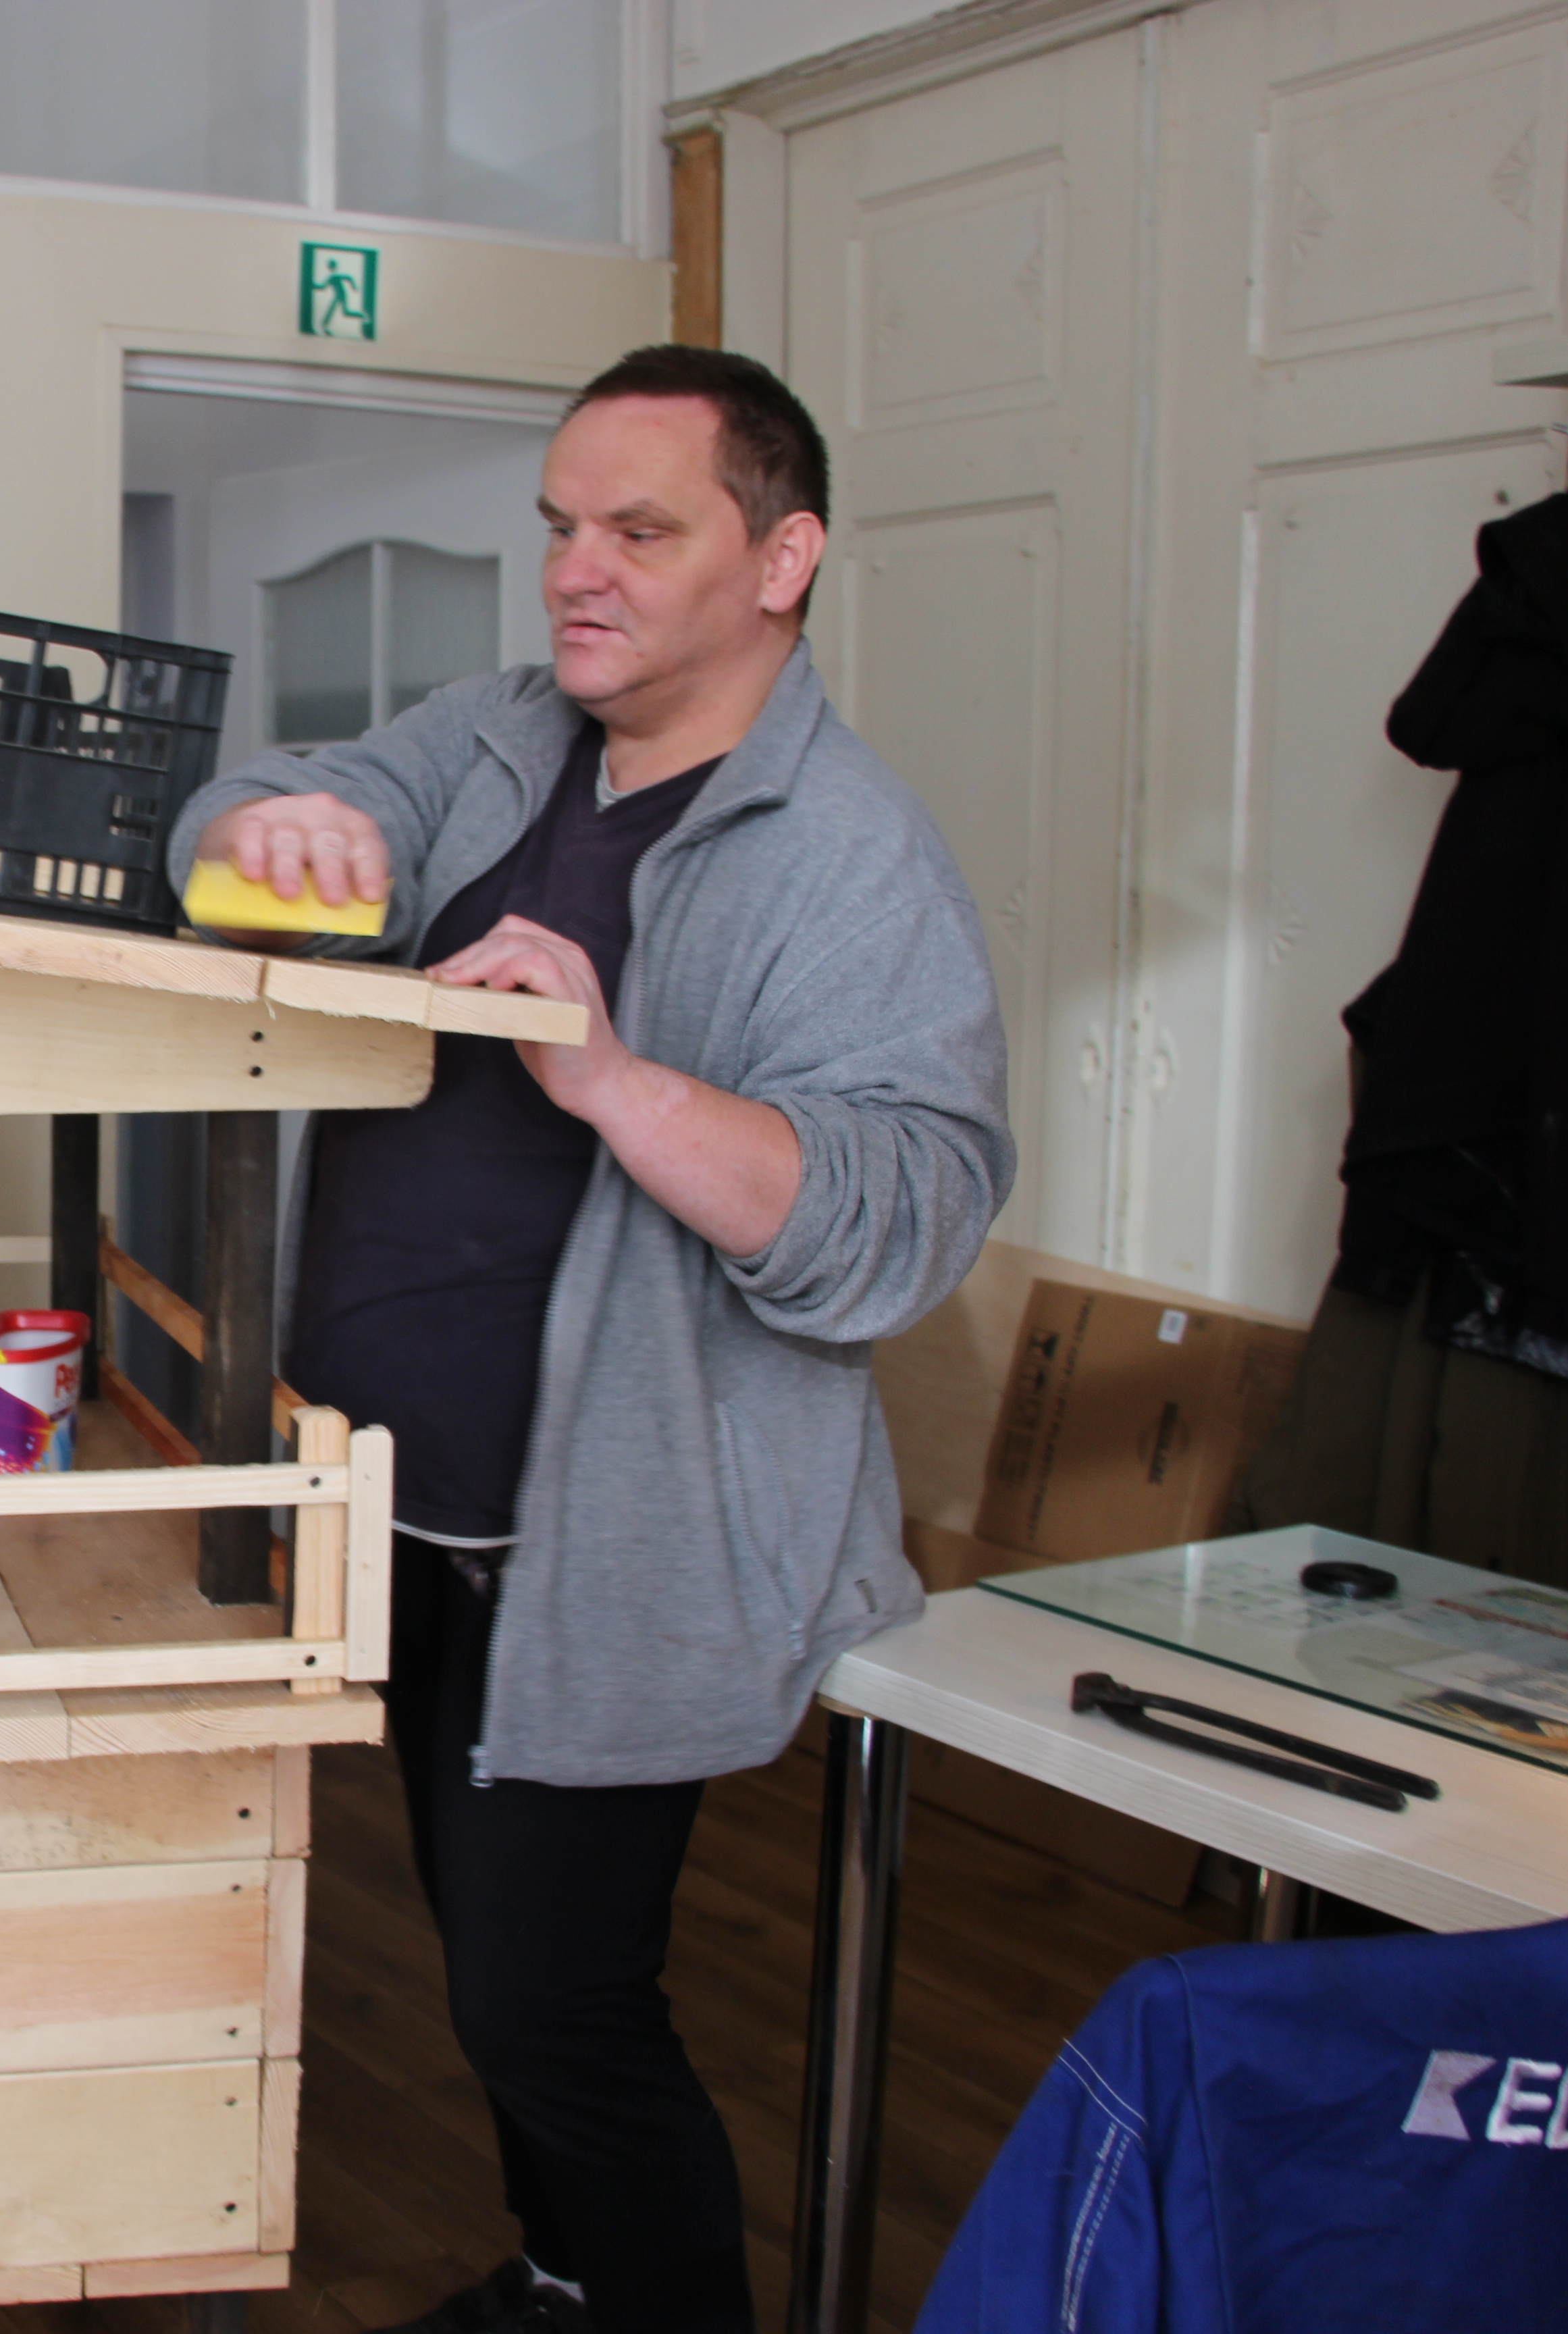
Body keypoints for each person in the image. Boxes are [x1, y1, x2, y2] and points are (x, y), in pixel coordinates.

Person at [169, 345, 1012, 2334]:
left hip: (615, 1547)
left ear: (782, 559)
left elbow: (907, 1211)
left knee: (553, 2000)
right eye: (560, 525)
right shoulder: (500, 733)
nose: (576, 570)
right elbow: (254, 803)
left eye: (640, 528)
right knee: (495, 1973)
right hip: (404, 1505)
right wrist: (288, 822)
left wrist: (615, 1077)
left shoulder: (851, 856)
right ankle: (567, 2280)